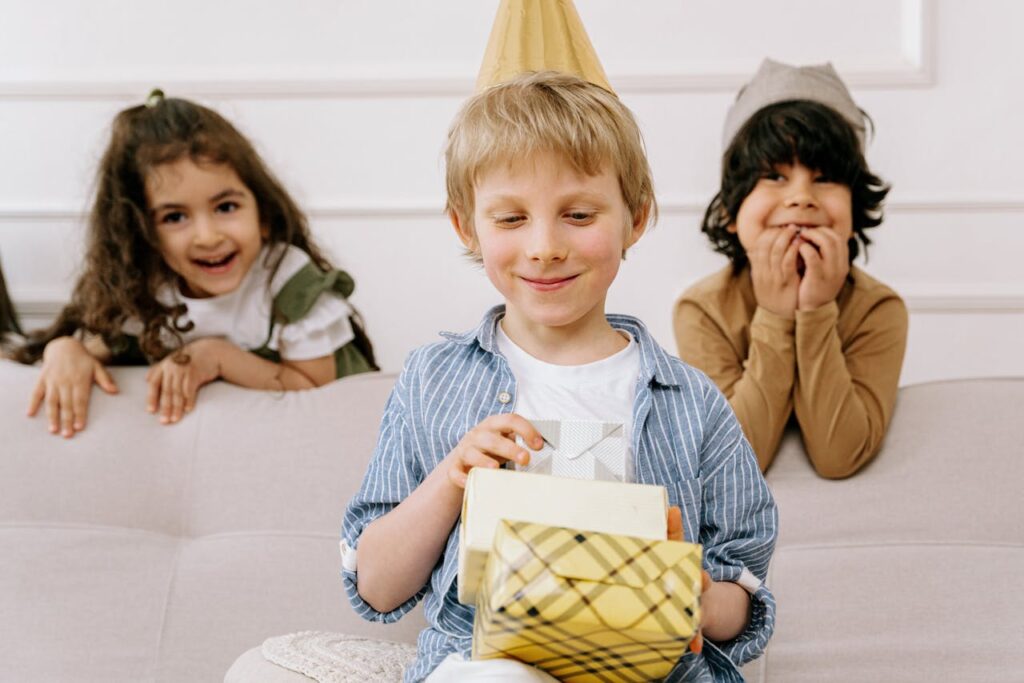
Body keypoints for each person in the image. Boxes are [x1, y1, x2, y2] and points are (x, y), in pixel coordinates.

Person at [340, 7, 776, 679]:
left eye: (578, 214)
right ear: (467, 226)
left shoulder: (692, 403)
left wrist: (692, 595)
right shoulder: (432, 381)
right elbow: (375, 585)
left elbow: (742, 600)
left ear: (636, 217)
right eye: (511, 217)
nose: (545, 246)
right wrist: (451, 482)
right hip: (488, 663)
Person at [15, 90, 376, 438]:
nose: (207, 236)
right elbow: (100, 343)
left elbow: (317, 389)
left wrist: (218, 356)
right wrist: (64, 350)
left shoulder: (287, 282)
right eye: (174, 217)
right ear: (141, 235)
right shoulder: (145, 290)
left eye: (226, 207)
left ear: (263, 214)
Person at [673, 59, 908, 478]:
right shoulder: (702, 309)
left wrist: (816, 310)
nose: (801, 197)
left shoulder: (879, 309)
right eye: (774, 177)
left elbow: (840, 456)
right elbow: (735, 458)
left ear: (854, 210)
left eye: (825, 178)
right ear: (730, 210)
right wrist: (776, 314)